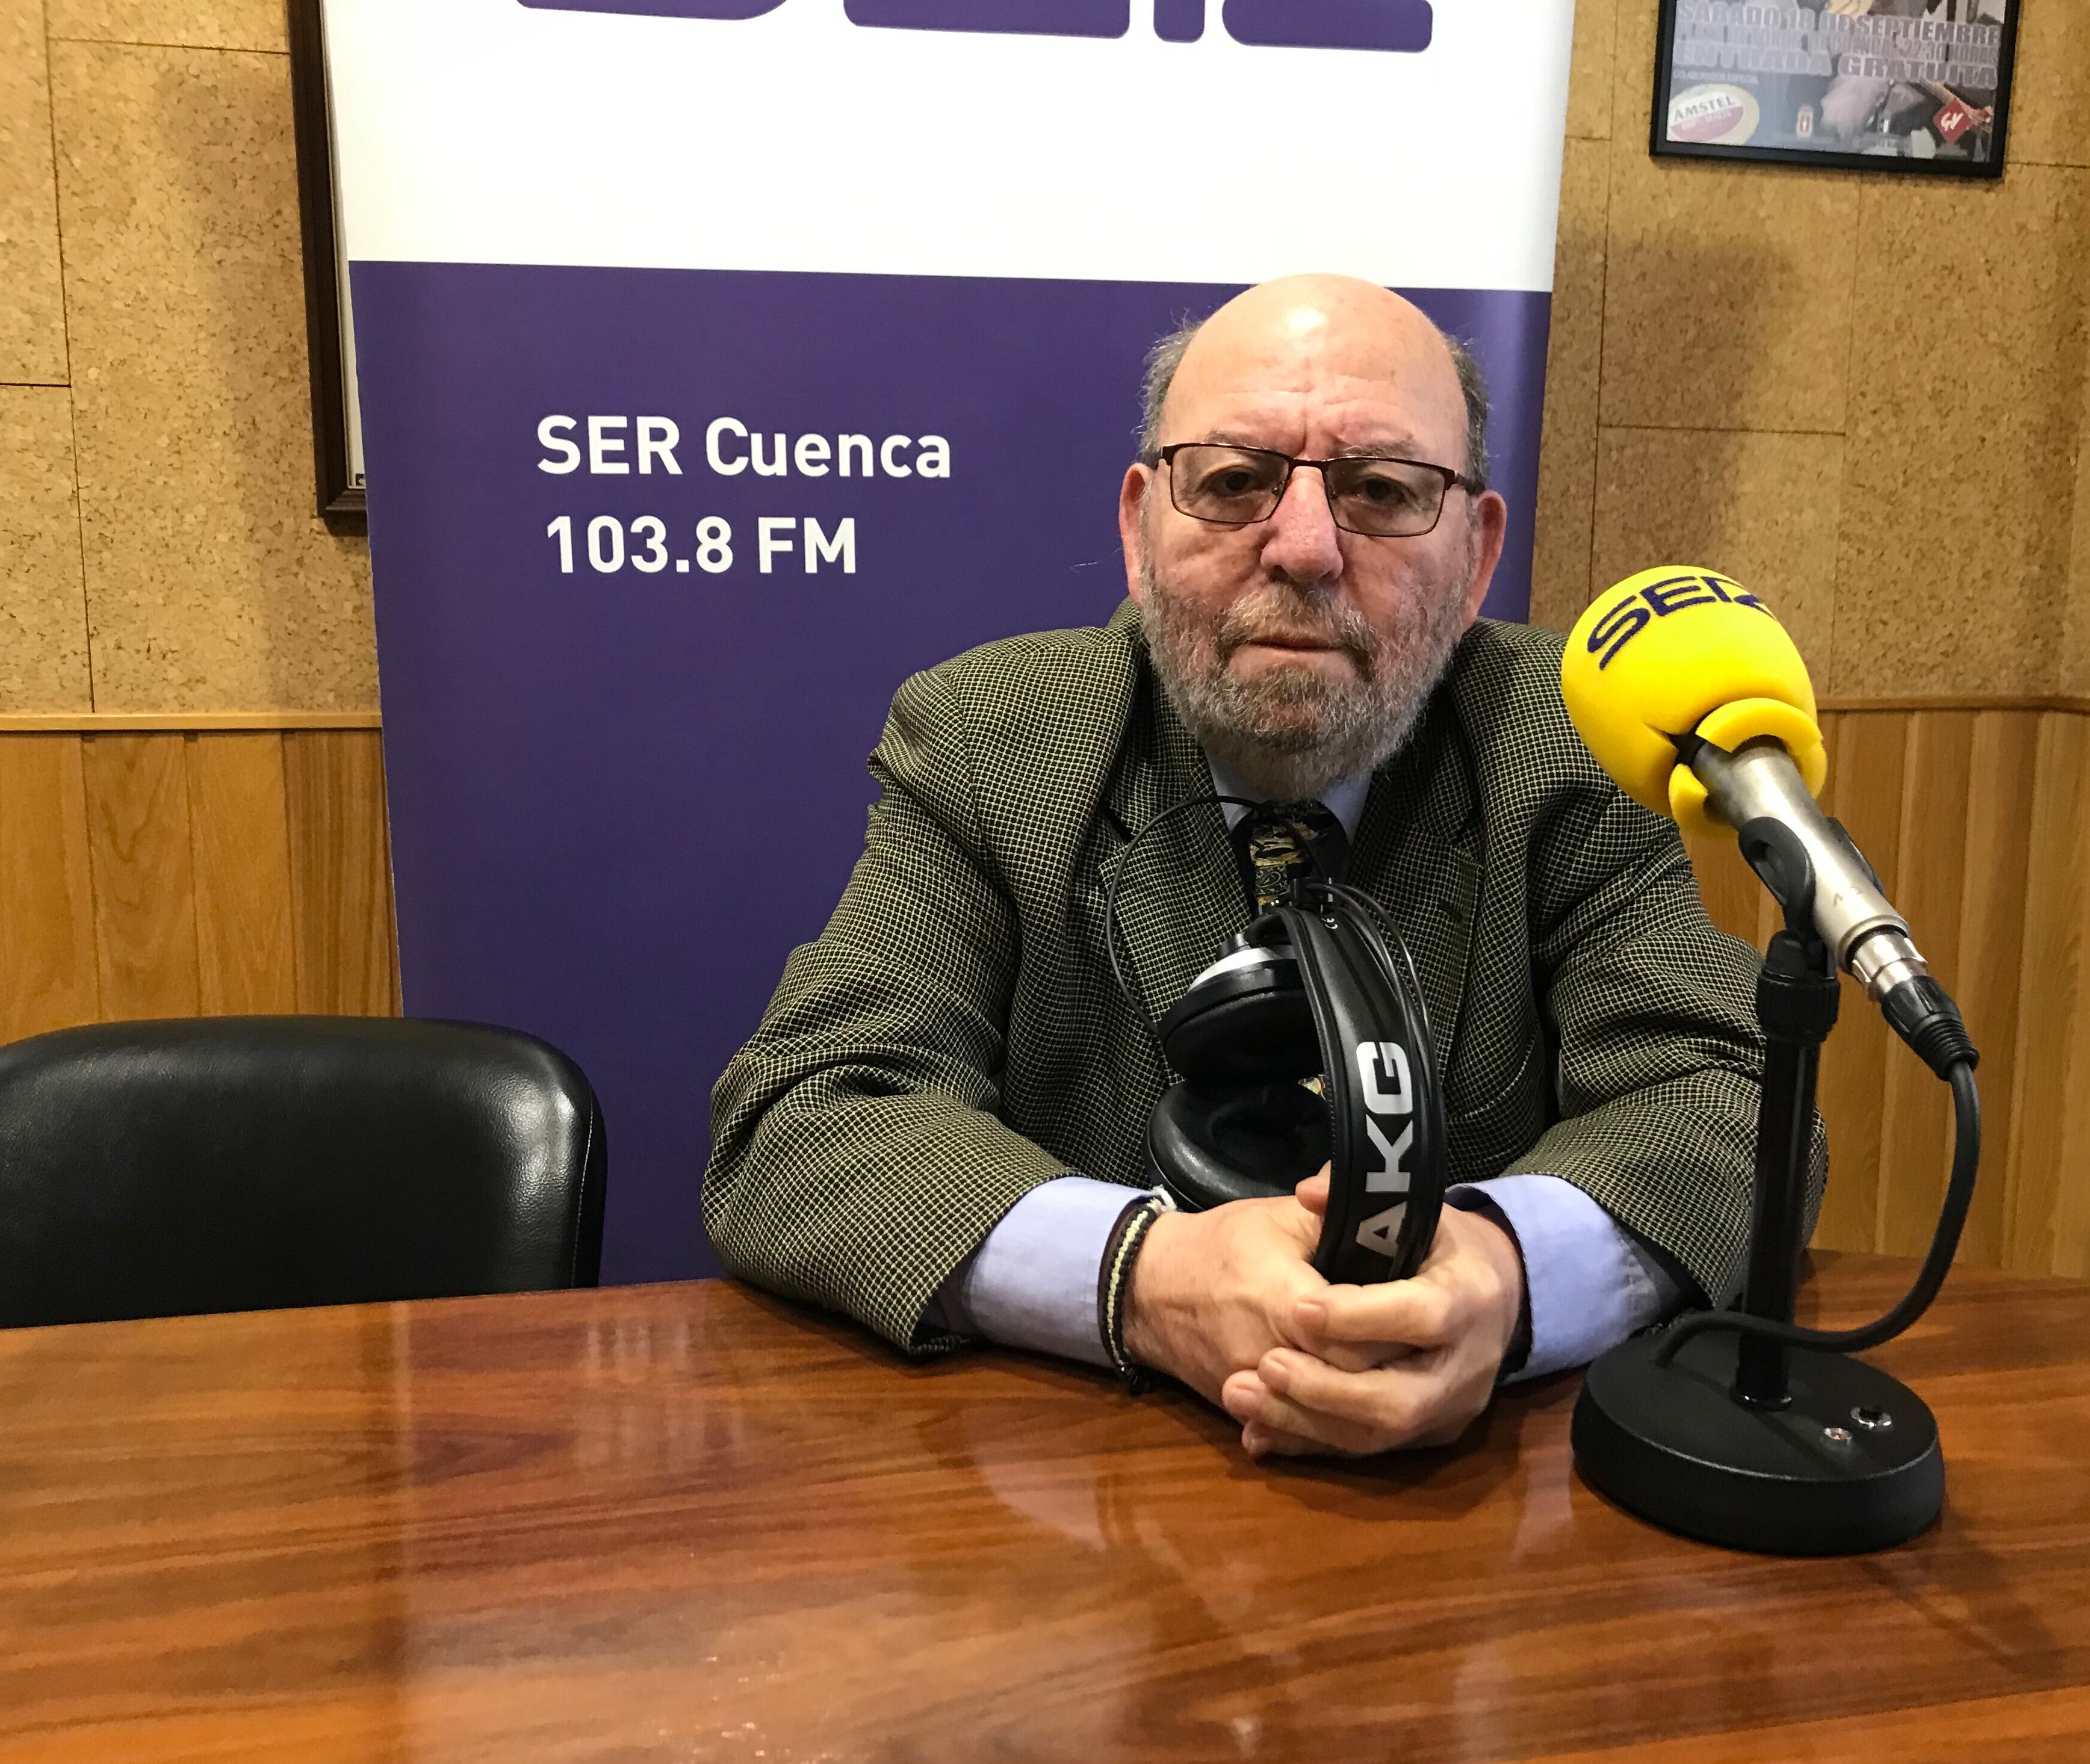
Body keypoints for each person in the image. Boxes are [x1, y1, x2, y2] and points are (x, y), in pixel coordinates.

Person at [703, 274, 1818, 1460]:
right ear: (1141, 529)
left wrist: (1501, 1276)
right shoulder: (992, 741)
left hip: (1466, 1529)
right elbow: (805, 1113)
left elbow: (1733, 1104)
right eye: (1235, 480)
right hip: (1073, 1507)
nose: (1302, 548)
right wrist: (1145, 1276)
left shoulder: (1570, 746)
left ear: (1479, 555)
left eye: (1383, 491)